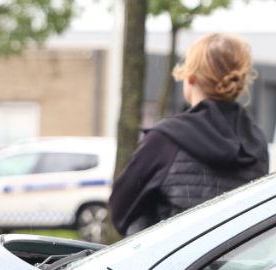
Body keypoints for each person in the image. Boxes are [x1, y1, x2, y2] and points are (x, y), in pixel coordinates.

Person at [110, 32, 270, 236]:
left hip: (174, 264)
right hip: (236, 265)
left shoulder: (165, 139)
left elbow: (120, 208)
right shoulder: (256, 144)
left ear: (191, 77)